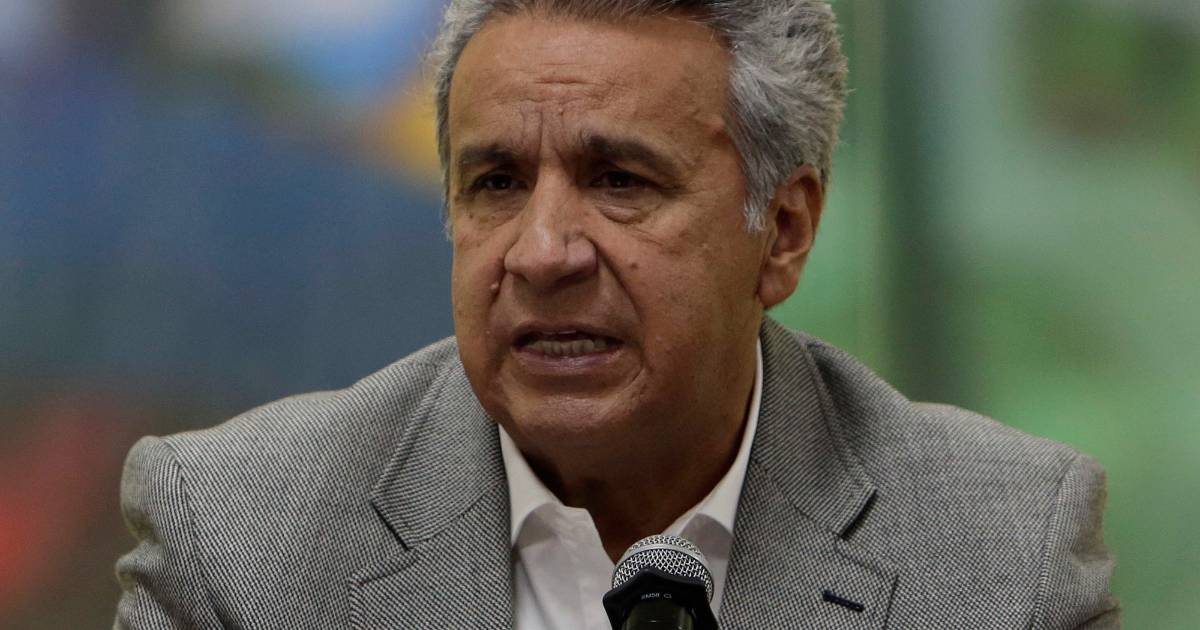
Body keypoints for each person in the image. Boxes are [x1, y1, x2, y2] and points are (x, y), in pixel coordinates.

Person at [113, 1, 1118, 628]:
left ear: (784, 231)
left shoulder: (1004, 556)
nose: (543, 251)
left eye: (620, 181)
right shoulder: (238, 542)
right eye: (497, 183)